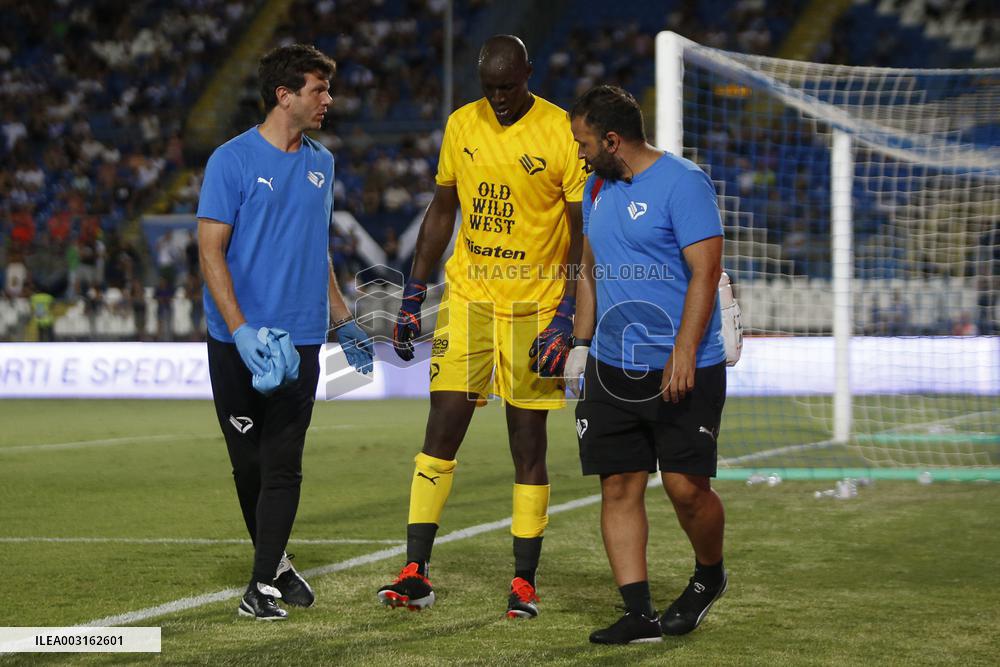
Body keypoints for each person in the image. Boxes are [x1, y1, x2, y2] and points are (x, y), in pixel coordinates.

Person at [377, 34, 586, 619]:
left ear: (528, 74)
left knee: (527, 442)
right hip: (468, 300)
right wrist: (413, 294)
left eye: (507, 87)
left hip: (534, 310)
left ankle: (523, 581)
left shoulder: (560, 131)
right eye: (488, 88)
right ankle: (415, 569)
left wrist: (567, 315)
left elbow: (579, 231)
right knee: (441, 428)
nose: (497, 99)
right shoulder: (461, 124)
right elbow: (443, 209)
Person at [197, 44, 373, 621]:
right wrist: (240, 329)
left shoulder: (323, 164)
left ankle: (259, 585)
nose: (330, 100)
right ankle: (274, 565)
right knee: (248, 464)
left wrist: (342, 318)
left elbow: (314, 248)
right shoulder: (232, 160)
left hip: (299, 339)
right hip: (236, 342)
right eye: (319, 90)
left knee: (284, 461)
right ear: (285, 95)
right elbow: (209, 250)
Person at [564, 85, 729, 644]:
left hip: (684, 365)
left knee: (687, 490)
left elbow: (706, 272)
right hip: (611, 365)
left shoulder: (683, 183)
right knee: (619, 486)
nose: (579, 154)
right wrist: (580, 345)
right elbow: (588, 270)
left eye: (584, 143)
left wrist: (683, 349)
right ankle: (638, 614)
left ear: (612, 140)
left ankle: (710, 576)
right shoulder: (596, 188)